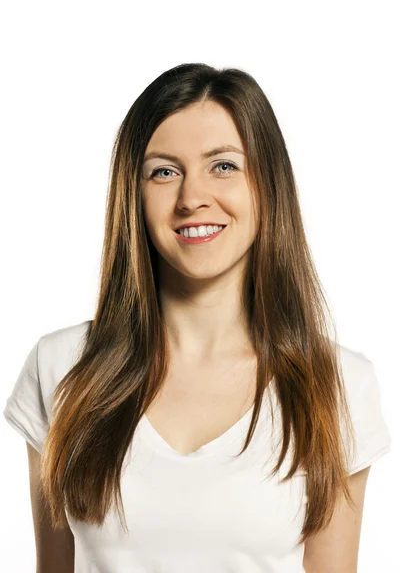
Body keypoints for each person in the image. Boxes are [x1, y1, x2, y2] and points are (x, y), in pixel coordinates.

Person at [3, 63, 392, 572]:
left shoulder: (337, 384)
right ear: (133, 195)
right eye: (164, 171)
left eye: (224, 166)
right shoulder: (61, 367)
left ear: (267, 185)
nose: (191, 198)